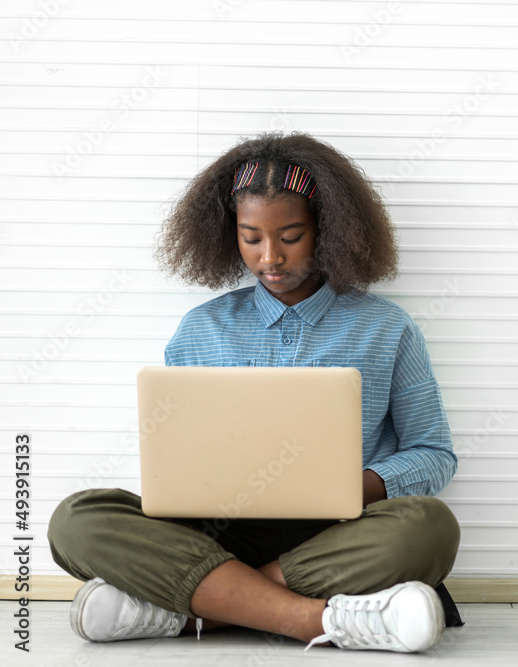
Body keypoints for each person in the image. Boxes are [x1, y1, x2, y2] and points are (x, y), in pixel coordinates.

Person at [46, 131, 462, 653]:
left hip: (337, 534)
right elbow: (175, 457)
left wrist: (349, 487)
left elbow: (434, 453)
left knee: (429, 527)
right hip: (219, 532)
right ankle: (315, 618)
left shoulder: (386, 328)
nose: (271, 258)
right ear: (229, 235)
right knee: (77, 519)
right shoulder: (200, 330)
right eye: (251, 237)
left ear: (326, 231)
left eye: (290, 236)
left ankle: (195, 607)